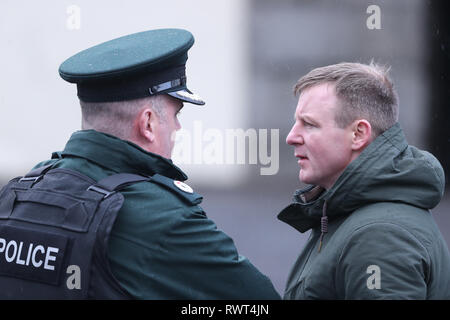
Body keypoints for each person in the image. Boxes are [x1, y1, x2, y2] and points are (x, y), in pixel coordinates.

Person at [0, 28, 280, 299]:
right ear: (147, 123)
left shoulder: (23, 191)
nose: (178, 127)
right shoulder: (161, 216)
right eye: (175, 115)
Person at [278, 62, 450, 299]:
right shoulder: (352, 214)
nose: (291, 137)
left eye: (309, 124)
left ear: (358, 134)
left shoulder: (380, 235)